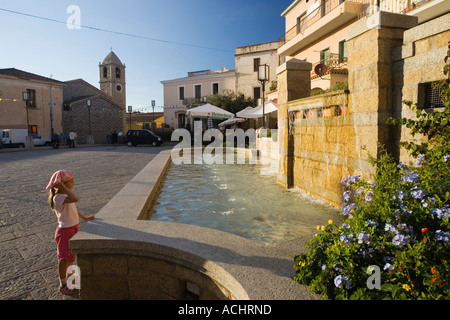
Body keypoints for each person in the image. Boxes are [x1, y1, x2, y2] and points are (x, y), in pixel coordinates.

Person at [46, 170, 94, 295]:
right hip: (65, 231)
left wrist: (84, 218)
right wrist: (61, 187)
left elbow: (74, 208)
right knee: (63, 258)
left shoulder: (65, 197)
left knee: (71, 256)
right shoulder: (58, 198)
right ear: (63, 184)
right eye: (71, 182)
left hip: (73, 228)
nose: (73, 184)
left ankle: (70, 277)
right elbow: (75, 198)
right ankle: (63, 283)